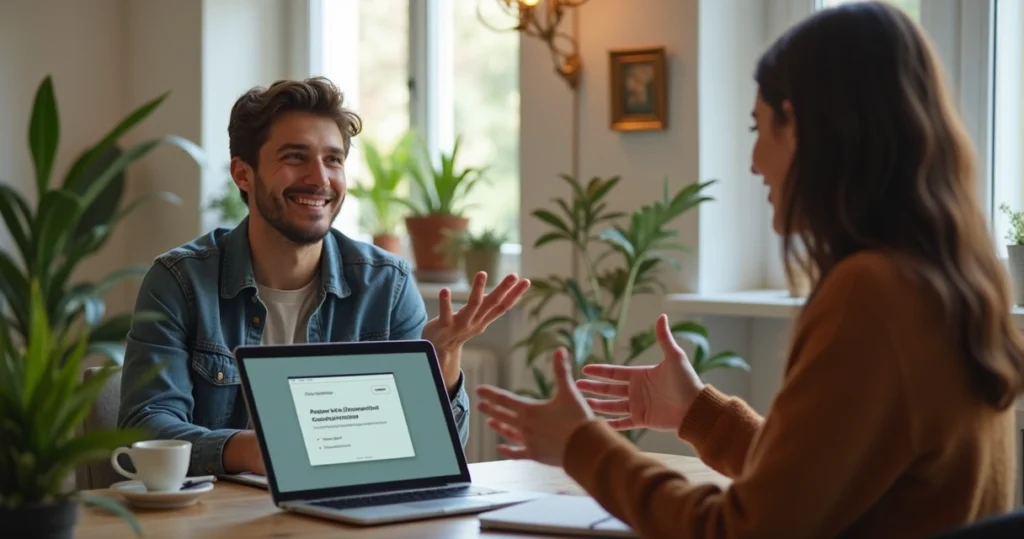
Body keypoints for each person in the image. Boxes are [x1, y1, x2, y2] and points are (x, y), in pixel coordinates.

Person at [475, 2, 1024, 537]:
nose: (754, 162)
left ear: (809, 129)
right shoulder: (952, 281)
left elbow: (736, 530)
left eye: (760, 128)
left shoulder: (871, 295)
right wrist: (698, 413)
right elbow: (813, 489)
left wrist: (582, 445)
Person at [118, 77, 529, 478]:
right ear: (243, 174)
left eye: (333, 159)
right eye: (295, 157)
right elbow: (146, 426)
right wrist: (252, 450)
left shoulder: (387, 285)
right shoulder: (180, 281)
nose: (320, 178)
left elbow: (439, 451)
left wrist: (444, 363)